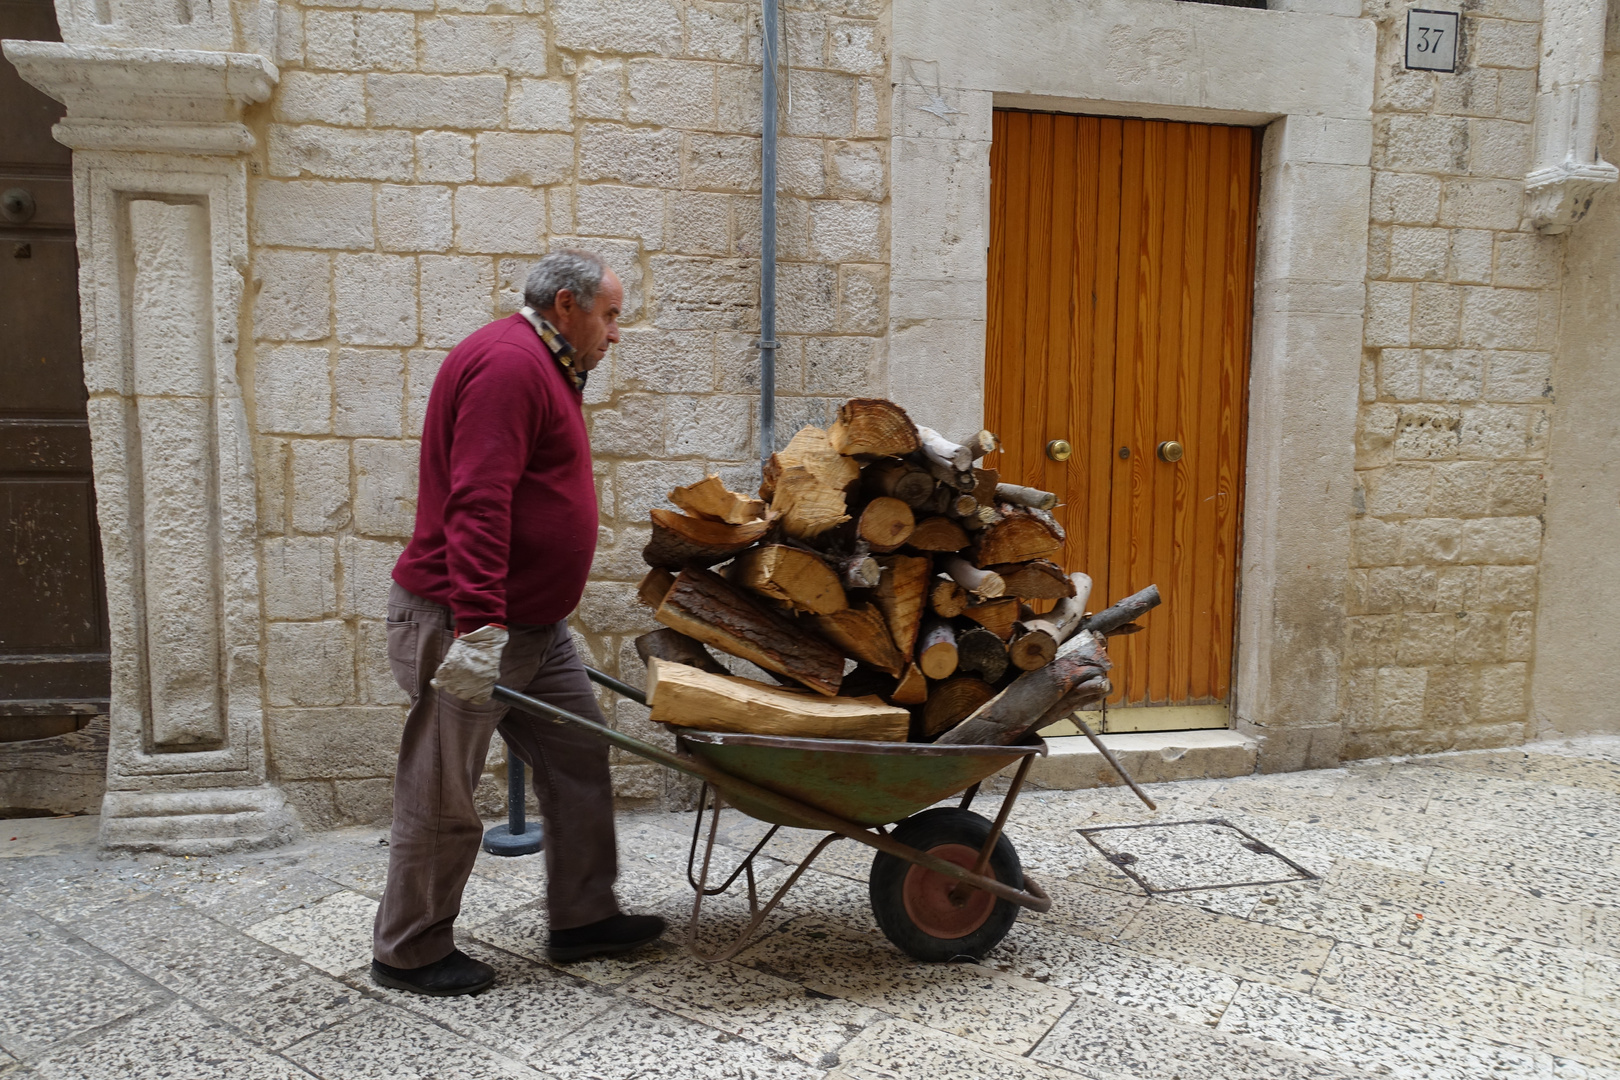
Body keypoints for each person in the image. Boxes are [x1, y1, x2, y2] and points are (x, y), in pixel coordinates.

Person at [370, 249, 665, 997]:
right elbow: (478, 500)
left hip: (535, 628)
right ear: (567, 305)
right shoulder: (509, 364)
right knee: (443, 793)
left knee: (578, 760)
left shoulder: (545, 362)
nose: (616, 333)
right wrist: (476, 629)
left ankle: (584, 916)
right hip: (467, 625)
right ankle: (409, 948)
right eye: (611, 314)